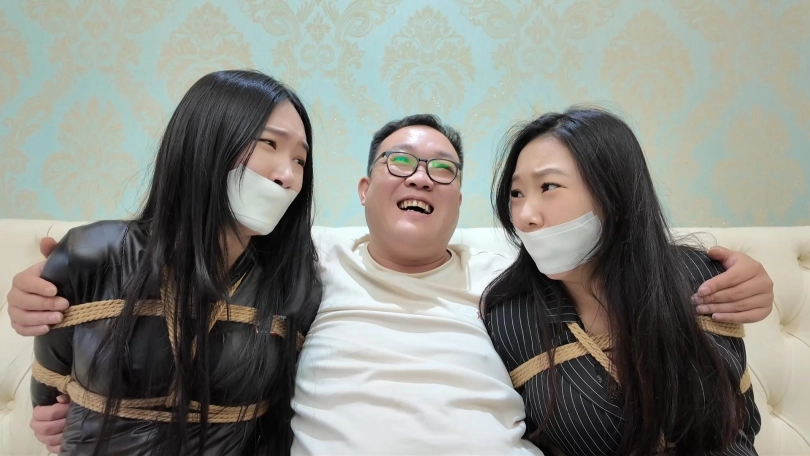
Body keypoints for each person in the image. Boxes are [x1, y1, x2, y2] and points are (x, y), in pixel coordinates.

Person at [8, 114, 773, 454]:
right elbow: (175, 260)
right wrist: (49, 283)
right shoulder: (302, 265)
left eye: (443, 169)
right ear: (365, 188)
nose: (421, 176)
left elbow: (622, 272)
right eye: (400, 162)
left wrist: (738, 276)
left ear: (462, 200)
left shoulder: (512, 278)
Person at [23, 69, 321, 455]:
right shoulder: (93, 253)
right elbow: (49, 395)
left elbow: (281, 422)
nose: (288, 175)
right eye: (269, 143)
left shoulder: (293, 285)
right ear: (205, 139)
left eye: (300, 160)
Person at [483, 107, 760, 455]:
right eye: (516, 193)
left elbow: (740, 424)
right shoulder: (509, 319)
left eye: (548, 186)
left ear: (614, 195)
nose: (525, 215)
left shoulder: (700, 277)